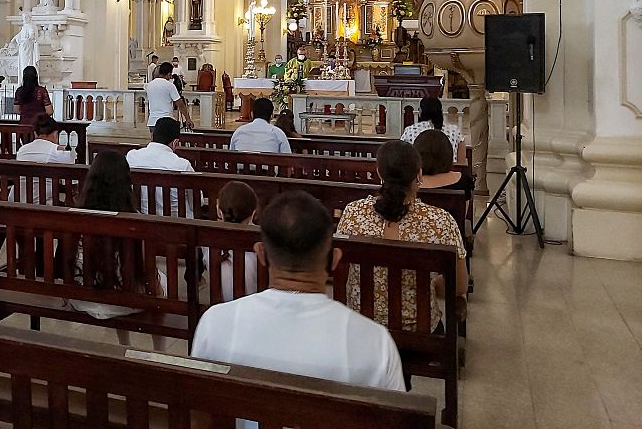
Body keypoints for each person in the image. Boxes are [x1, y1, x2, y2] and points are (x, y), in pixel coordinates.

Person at [191, 191, 404, 427]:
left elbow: (201, 415)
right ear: (334, 259)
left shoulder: (215, 322)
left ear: (261, 254)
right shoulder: (375, 342)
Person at [337, 140, 468, 333]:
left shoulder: (353, 213)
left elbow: (344, 271)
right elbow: (459, 285)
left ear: (379, 173)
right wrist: (427, 283)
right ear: (419, 174)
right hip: (420, 331)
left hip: (362, 330)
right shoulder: (440, 221)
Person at [68, 151, 168, 351]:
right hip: (124, 300)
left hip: (81, 297)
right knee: (158, 283)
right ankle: (160, 350)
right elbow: (147, 277)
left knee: (115, 270)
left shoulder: (75, 215)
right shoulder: (134, 220)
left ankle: (125, 343)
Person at [126, 117, 195, 217]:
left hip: (141, 220)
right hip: (178, 224)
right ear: (175, 143)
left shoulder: (132, 156)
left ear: (152, 136)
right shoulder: (183, 165)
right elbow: (196, 201)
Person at [209, 181, 259, 302]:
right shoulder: (262, 244)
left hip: (221, 311)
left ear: (219, 211)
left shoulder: (208, 243)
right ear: (253, 212)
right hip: (255, 311)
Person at [10, 114, 74, 205]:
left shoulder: (22, 150)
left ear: (35, 133)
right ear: (56, 134)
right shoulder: (58, 152)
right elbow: (72, 184)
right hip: (44, 205)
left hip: (17, 202)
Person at [400, 96, 465, 163]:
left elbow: (402, 157)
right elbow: (461, 163)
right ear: (440, 111)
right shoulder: (454, 131)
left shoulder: (410, 131)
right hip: (448, 171)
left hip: (420, 171)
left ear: (421, 111)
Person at [145, 62, 194, 130]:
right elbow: (180, 104)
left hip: (152, 121)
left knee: (154, 140)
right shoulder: (170, 86)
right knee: (168, 140)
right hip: (166, 121)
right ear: (168, 74)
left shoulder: (149, 85)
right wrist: (188, 118)